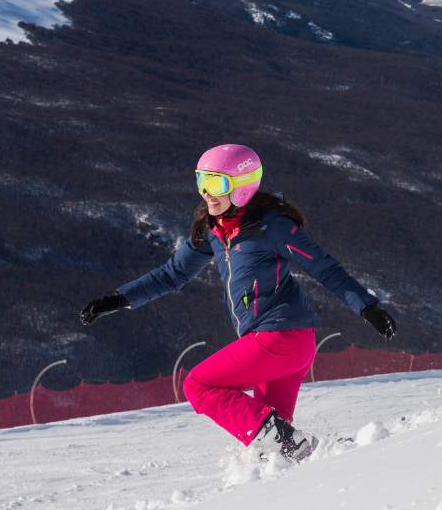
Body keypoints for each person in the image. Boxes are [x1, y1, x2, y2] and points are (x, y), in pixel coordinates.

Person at [80, 143, 396, 460]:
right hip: (282, 347)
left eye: (216, 184)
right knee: (275, 452)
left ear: (242, 186)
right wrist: (119, 299)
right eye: (201, 182)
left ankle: (295, 444)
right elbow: (172, 274)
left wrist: (366, 306)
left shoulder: (272, 227)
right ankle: (331, 461)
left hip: (280, 339)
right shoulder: (215, 231)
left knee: (198, 386)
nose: (207, 193)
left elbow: (324, 268)